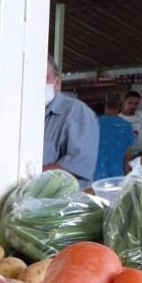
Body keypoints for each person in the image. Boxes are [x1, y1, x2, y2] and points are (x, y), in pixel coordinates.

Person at [43, 55, 98, 186]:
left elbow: (80, 163)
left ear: (56, 83)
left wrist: (31, 177)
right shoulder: (24, 115)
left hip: (61, 202)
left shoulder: (76, 112)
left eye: (44, 78)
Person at [94, 92, 134, 180]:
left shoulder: (93, 123)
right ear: (120, 106)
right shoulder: (126, 127)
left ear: (104, 104)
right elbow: (127, 158)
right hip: (117, 178)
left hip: (95, 178)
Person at [120, 89, 142, 156]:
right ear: (123, 102)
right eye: (130, 103)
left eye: (136, 103)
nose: (133, 106)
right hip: (124, 157)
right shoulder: (117, 119)